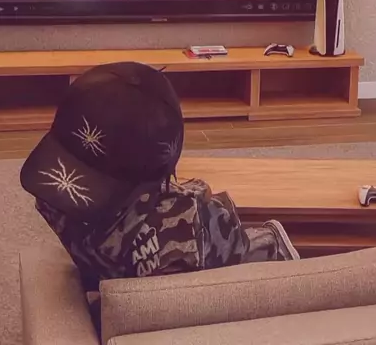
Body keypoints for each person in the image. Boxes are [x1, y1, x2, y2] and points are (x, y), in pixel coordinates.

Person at [20, 62, 299, 334]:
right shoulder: (182, 236)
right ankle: (269, 243)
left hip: (195, 251)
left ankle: (266, 243)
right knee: (209, 212)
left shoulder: (52, 201)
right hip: (227, 257)